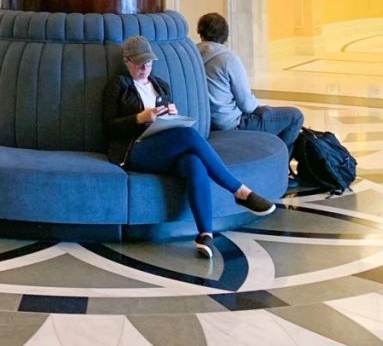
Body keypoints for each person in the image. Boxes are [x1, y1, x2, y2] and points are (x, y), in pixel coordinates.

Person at [103, 35, 276, 258]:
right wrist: (139, 118)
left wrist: (170, 116)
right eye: (139, 63)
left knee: (194, 163)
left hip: (163, 146)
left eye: (148, 62)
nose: (145, 67)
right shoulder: (118, 85)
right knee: (188, 136)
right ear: (127, 61)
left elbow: (166, 122)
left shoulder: (160, 85)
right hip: (133, 150)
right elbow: (109, 127)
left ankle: (205, 234)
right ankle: (240, 191)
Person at [196, 12, 303, 152]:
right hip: (230, 124)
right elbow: (247, 105)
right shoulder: (228, 59)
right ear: (225, 34)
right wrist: (263, 107)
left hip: (205, 122)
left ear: (200, 32)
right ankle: (279, 164)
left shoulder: (192, 54)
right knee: (295, 116)